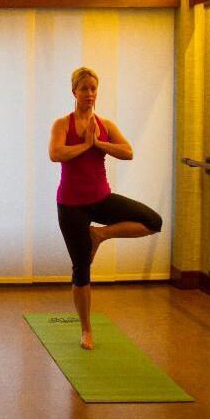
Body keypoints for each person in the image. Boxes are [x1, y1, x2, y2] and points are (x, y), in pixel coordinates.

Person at [49, 67, 162, 350]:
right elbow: (55, 153)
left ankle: (99, 235)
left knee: (153, 221)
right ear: (74, 91)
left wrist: (98, 143)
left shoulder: (105, 125)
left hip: (101, 199)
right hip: (71, 206)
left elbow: (128, 152)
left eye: (93, 89)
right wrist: (85, 145)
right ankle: (86, 330)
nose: (89, 93)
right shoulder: (62, 124)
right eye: (84, 88)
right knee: (81, 269)